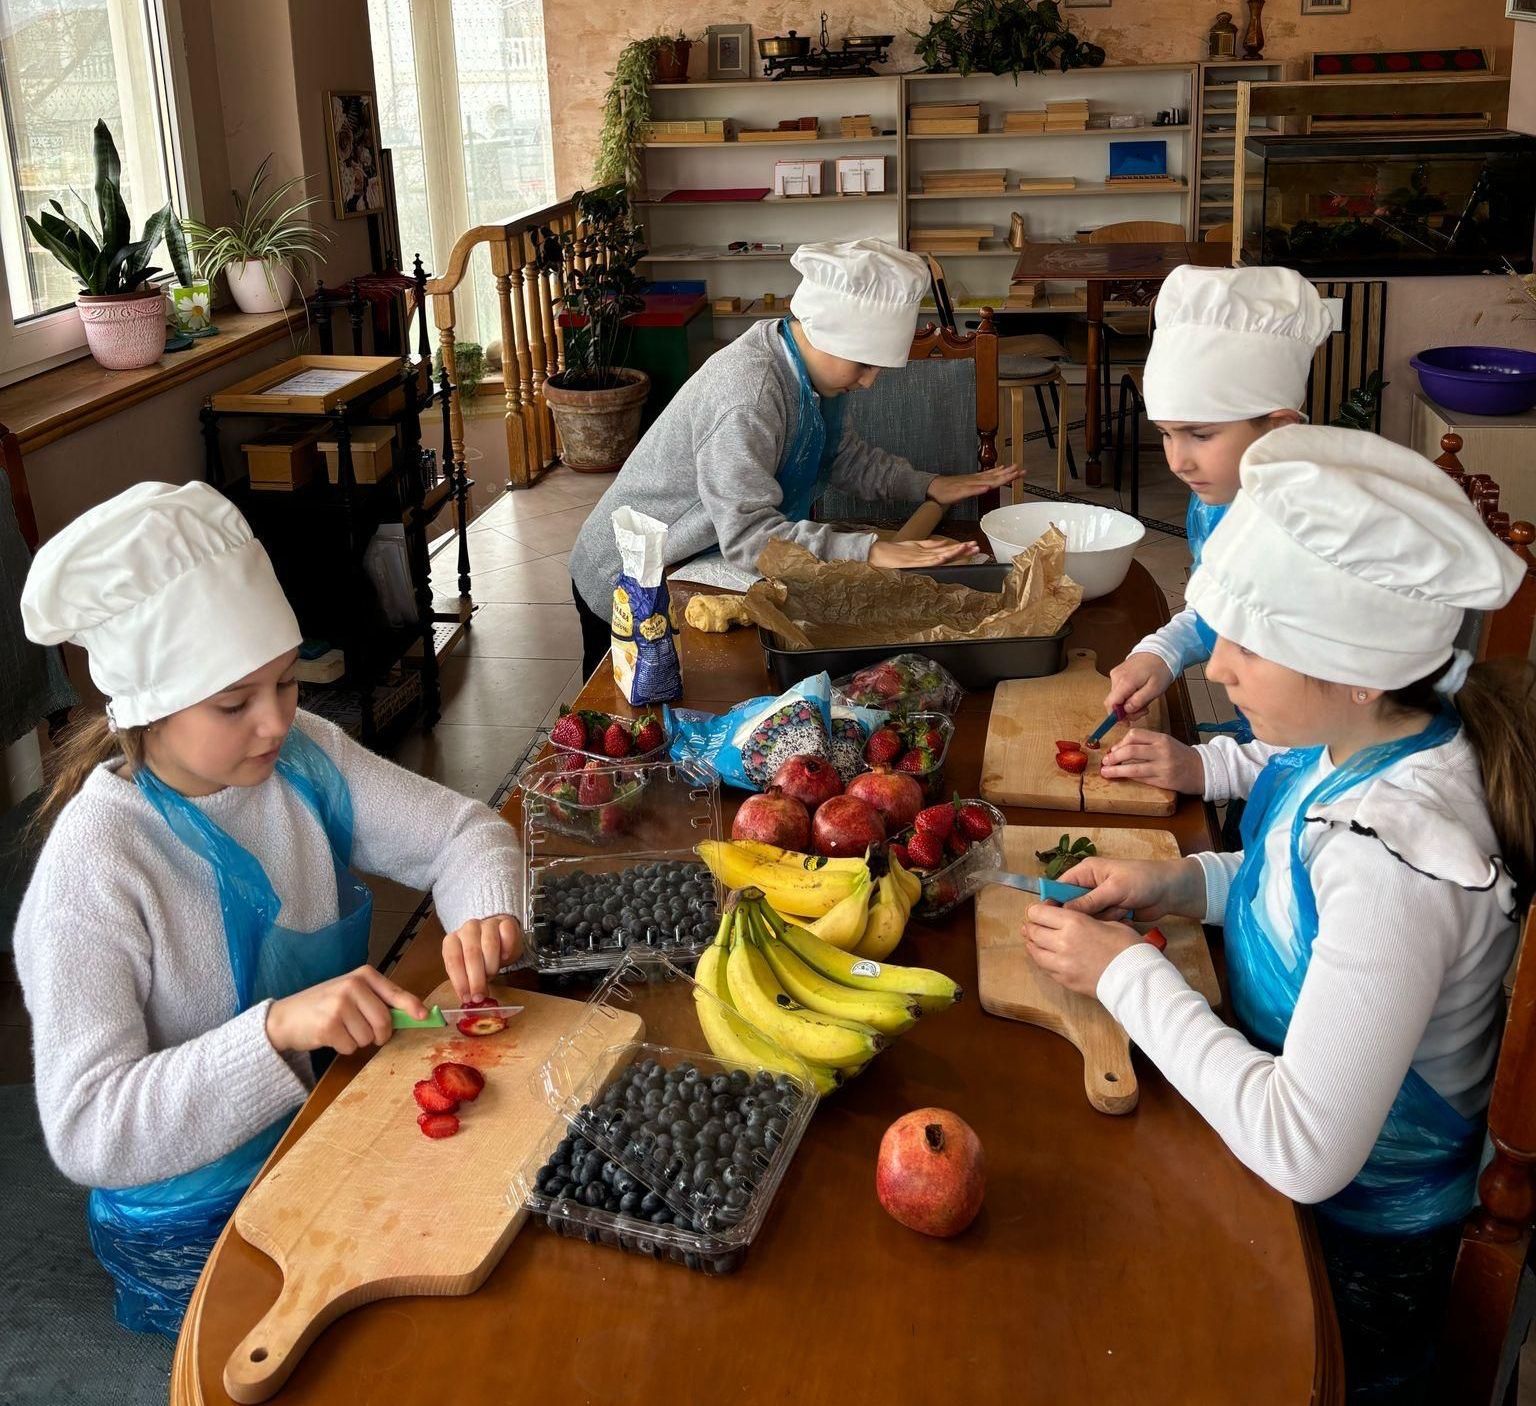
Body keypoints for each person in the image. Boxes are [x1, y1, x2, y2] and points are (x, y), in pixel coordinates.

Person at [1025, 426, 1532, 1403]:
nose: (1216, 669)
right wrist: (1180, 883)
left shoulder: (1399, 858)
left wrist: (1125, 974)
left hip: (1357, 1255)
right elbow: (1290, 894)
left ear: (1359, 669)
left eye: (1250, 645)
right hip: (1287, 1147)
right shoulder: (1346, 741)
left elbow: (1303, 1146)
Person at [13, 482, 525, 1336]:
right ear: (149, 708)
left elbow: (464, 834)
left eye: (287, 682)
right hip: (193, 1214)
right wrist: (277, 1031)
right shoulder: (95, 868)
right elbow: (87, 1127)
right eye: (233, 704)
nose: (276, 722)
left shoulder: (304, 761)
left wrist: (483, 915)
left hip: (322, 1131)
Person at [567, 238, 1023, 678]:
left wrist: (928, 485)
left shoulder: (811, 371)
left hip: (702, 553)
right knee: (631, 702)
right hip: (630, 574)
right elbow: (749, 536)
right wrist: (869, 551)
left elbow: (840, 457)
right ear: (825, 335)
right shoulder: (748, 395)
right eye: (864, 365)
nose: (869, 382)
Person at [1097, 264, 1332, 810]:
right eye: (1165, 434)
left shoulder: (1314, 547)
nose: (1177, 460)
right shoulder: (1219, 499)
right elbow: (1219, 606)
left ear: (1279, 427)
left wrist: (1212, 767)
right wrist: (1163, 652)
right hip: (1265, 746)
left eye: (1200, 434)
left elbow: (1337, 746)